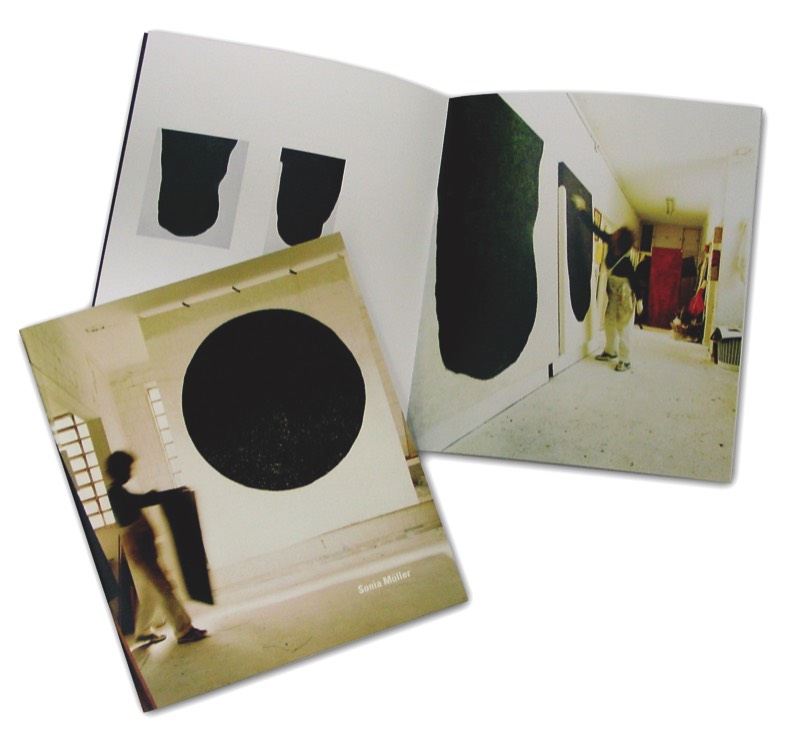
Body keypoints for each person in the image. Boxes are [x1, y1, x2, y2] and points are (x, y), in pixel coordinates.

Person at [105, 451, 207, 645]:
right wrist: (171, 495)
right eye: (127, 469)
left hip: (140, 546)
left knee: (150, 591)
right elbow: (142, 500)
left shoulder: (118, 491)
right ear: (118, 470)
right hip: (138, 547)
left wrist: (165, 495)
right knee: (163, 587)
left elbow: (142, 500)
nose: (130, 472)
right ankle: (184, 630)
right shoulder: (116, 493)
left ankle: (143, 631)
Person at [572, 195, 644, 372]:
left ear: (621, 241)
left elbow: (635, 280)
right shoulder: (612, 243)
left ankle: (625, 359)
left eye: (616, 235)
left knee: (624, 327)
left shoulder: (625, 261)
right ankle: (610, 351)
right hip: (613, 291)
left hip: (625, 294)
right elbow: (595, 229)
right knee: (610, 321)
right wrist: (582, 210)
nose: (613, 236)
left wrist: (640, 300)